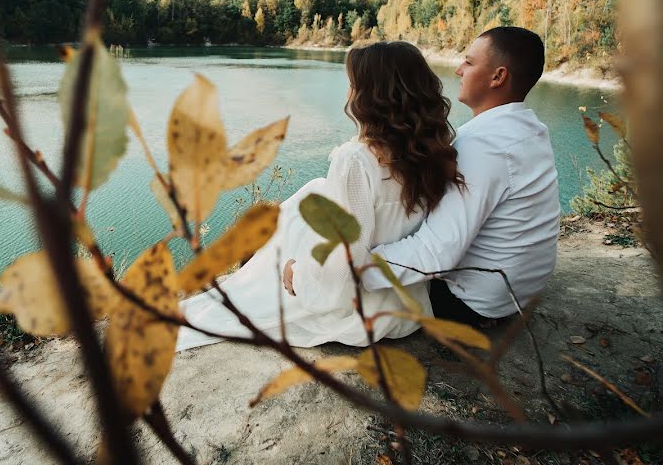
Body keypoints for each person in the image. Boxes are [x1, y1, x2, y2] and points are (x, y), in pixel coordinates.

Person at [176, 41, 465, 352]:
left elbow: (344, 255)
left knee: (292, 228)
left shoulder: (356, 160)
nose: (347, 94)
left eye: (353, 85)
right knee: (312, 192)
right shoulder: (436, 150)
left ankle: (265, 273)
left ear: (372, 96)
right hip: (407, 305)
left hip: (360, 309)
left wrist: (297, 275)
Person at [363, 26, 560, 327]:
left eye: (469, 62)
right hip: (518, 292)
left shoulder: (485, 146)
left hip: (472, 304)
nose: (458, 70)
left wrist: (350, 270)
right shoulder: (529, 129)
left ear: (498, 77)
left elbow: (435, 253)